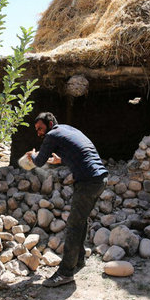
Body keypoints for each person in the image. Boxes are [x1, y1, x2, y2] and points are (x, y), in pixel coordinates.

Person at [26, 112, 108, 287]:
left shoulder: (52, 135)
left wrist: (31, 155)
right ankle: (78, 260)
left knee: (73, 225)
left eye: (40, 128)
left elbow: (39, 162)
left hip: (87, 182)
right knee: (80, 221)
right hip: (100, 179)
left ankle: (65, 273)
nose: (39, 133)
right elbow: (80, 153)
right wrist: (61, 160)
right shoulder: (67, 129)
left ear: (49, 124)